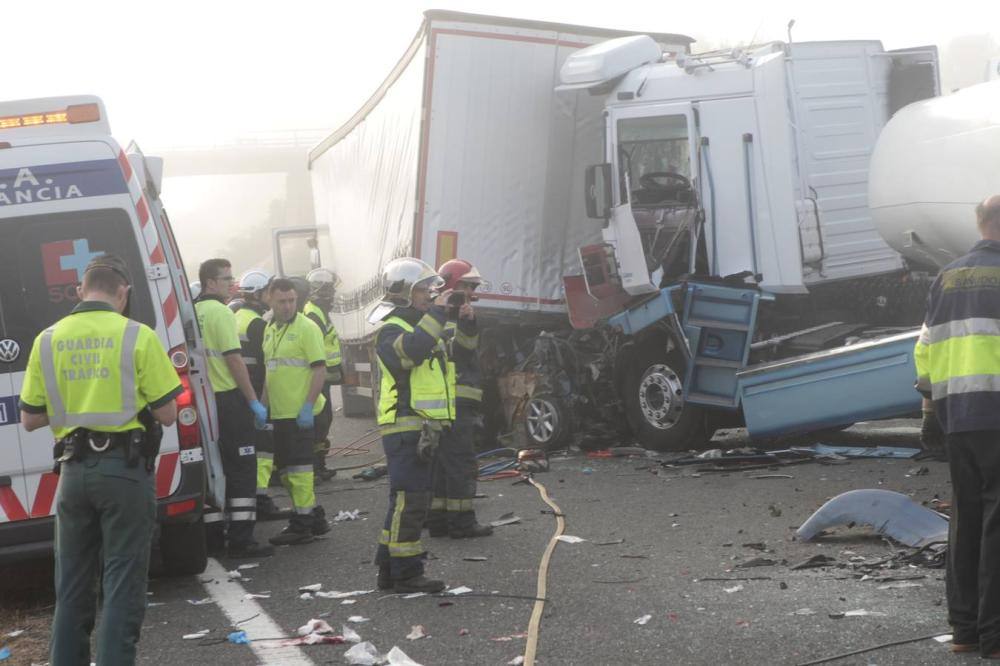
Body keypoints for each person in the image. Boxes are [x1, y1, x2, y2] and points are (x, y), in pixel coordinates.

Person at [19, 254, 182, 665]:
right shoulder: (137, 336)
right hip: (124, 473)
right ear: (123, 293)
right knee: (122, 584)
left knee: (71, 588)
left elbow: (30, 418)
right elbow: (167, 412)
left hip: (72, 474)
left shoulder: (47, 339)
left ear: (79, 290)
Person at [914, 194, 1000, 659]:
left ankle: (964, 631)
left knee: (966, 519)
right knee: (997, 523)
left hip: (956, 417)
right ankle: (995, 635)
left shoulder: (946, 277)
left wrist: (930, 409)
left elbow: (924, 349)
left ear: (980, 223)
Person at [369, 257, 456, 593]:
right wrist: (436, 316)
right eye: (423, 289)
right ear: (404, 292)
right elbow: (412, 354)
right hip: (405, 426)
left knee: (404, 499)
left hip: (421, 426)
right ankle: (407, 572)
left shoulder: (421, 324)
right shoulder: (392, 330)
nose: (429, 295)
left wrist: (460, 320)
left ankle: (389, 569)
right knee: (412, 500)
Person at [195, 259, 273, 558]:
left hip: (203, 401)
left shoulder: (192, 311)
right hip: (228, 399)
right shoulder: (220, 313)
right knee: (241, 467)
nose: (232, 284)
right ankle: (242, 539)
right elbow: (234, 360)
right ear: (210, 283)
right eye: (226, 279)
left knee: (211, 468)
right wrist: (253, 399)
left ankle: (213, 536)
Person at [427, 259, 493, 538]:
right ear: (453, 285)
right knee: (460, 463)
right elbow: (456, 354)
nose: (471, 292)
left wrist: (469, 322)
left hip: (447, 401)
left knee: (443, 463)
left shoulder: (452, 316)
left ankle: (439, 520)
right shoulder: (438, 317)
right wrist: (462, 322)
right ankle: (462, 522)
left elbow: (464, 349)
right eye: (467, 286)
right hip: (454, 402)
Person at [262, 278, 330, 545]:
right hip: (279, 414)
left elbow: (319, 369)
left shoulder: (307, 328)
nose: (288, 306)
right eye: (282, 301)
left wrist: (307, 407)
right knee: (286, 473)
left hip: (300, 415)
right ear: (270, 298)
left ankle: (302, 525)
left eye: (292, 300)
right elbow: (271, 372)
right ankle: (315, 516)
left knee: (300, 473)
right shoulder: (269, 329)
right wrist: (262, 407)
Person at [232, 269, 290, 521]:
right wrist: (264, 402)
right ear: (259, 295)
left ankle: (251, 498)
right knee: (264, 449)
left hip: (241, 390)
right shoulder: (257, 324)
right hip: (258, 389)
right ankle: (261, 498)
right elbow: (268, 362)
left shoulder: (236, 316)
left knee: (249, 448)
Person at [302, 268, 345, 482]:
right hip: (319, 377)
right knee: (320, 421)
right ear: (321, 291)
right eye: (329, 291)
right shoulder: (313, 314)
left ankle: (319, 465)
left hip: (324, 377)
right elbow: (316, 349)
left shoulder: (318, 311)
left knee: (323, 420)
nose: (333, 296)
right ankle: (315, 467)